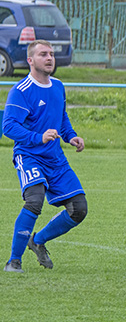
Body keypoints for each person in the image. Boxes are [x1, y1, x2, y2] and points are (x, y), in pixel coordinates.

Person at [3, 40, 88, 273]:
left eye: (51, 54)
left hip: (55, 159)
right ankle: (14, 261)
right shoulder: (21, 91)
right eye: (43, 54)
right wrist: (37, 137)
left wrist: (71, 136)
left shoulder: (58, 86)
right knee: (34, 200)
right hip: (29, 155)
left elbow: (61, 118)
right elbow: (8, 126)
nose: (49, 58)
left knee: (79, 208)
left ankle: (37, 240)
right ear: (30, 60)